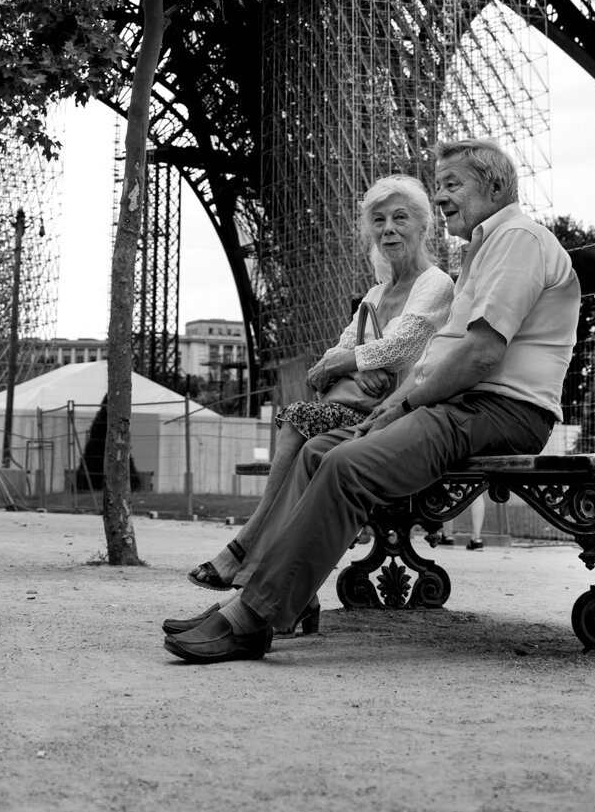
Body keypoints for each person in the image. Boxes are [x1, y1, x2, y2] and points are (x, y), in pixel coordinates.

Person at [163, 138, 582, 663]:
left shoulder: (516, 238)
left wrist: (404, 405)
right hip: (459, 405)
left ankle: (253, 618)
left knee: (344, 465)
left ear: (495, 185)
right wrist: (399, 403)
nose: (444, 196)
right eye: (440, 185)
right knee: (319, 451)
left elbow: (480, 354)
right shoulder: (488, 247)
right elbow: (441, 359)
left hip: (498, 410)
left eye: (453, 184)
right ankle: (258, 595)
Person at [186, 176, 454, 603]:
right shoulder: (376, 293)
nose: (388, 228)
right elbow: (326, 366)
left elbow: (403, 347)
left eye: (400, 218)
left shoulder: (435, 283)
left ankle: (247, 551)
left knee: (300, 429)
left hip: (393, 412)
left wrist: (352, 360)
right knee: (305, 437)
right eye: (379, 220)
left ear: (423, 227)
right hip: (359, 409)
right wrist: (358, 361)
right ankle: (276, 582)